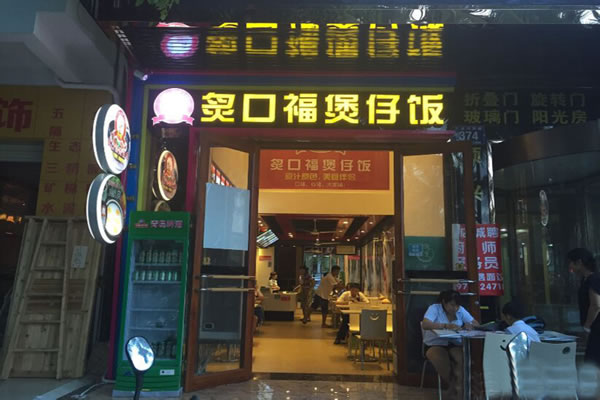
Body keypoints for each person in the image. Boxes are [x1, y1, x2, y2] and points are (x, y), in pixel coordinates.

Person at [421, 290, 479, 399]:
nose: (455, 308)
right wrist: (445, 325)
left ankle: (461, 391)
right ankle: (454, 386)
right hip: (435, 343)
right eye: (452, 305)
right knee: (441, 360)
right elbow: (425, 324)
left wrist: (469, 325)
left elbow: (476, 323)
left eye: (457, 305)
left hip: (454, 343)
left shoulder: (460, 310)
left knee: (462, 360)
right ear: (444, 302)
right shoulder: (434, 308)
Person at [567, 248, 600, 368]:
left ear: (579, 262)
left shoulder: (594, 279)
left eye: (571, 262)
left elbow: (596, 305)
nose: (570, 266)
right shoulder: (585, 280)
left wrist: (587, 326)